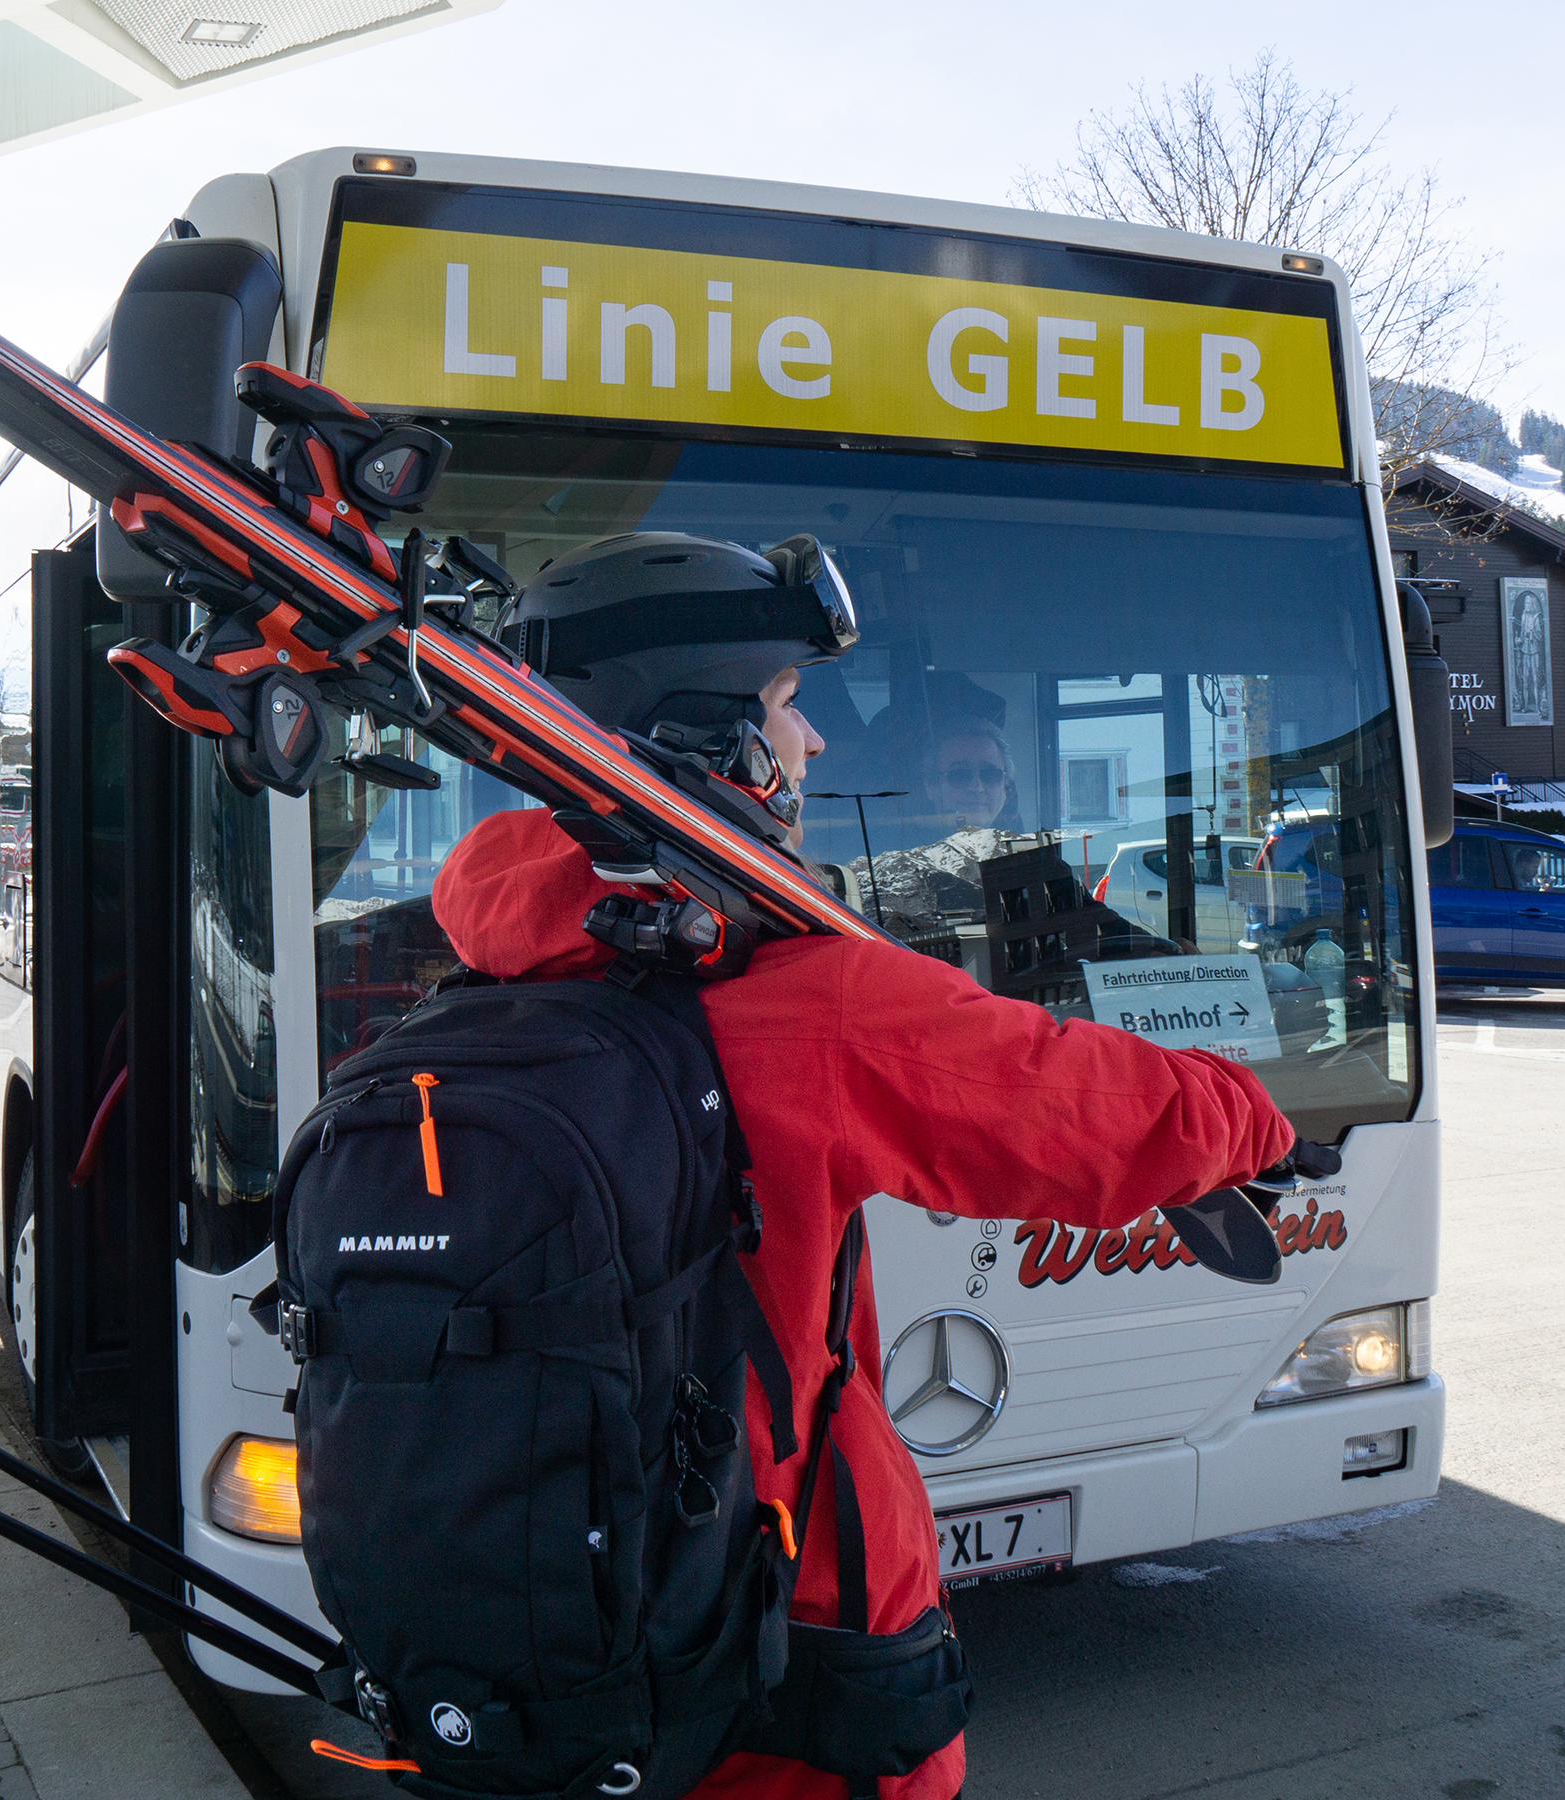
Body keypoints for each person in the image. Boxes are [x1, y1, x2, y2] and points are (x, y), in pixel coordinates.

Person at [440, 531, 1297, 1799]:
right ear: (707, 736)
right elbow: (1080, 1107)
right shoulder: (806, 1005)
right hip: (783, 1613)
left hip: (543, 1605)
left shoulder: (483, 964)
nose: (816, 745)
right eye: (789, 708)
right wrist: (1256, 1120)